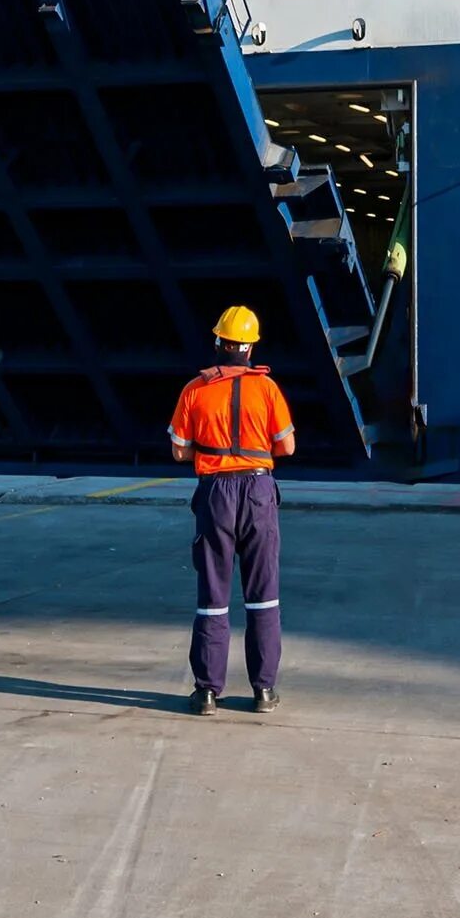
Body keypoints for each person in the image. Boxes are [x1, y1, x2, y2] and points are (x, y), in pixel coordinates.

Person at [168, 305, 296, 715]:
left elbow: (177, 449)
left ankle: (207, 691)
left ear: (219, 342)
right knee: (263, 595)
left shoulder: (195, 389)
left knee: (213, 595)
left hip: (215, 493)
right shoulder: (269, 390)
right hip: (259, 490)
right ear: (250, 347)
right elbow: (287, 446)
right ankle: (263, 690)